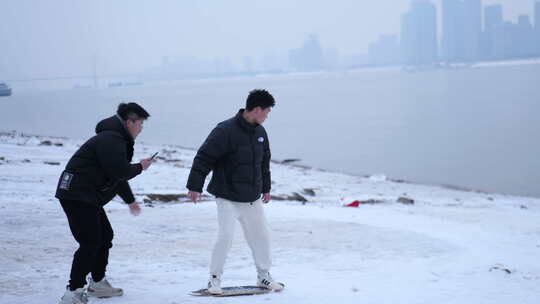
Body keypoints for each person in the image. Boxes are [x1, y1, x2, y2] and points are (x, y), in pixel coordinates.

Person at [186, 89, 283, 294]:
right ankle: (214, 279)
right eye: (266, 112)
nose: (267, 116)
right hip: (227, 196)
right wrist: (195, 185)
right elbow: (204, 157)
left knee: (261, 236)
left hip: (251, 198)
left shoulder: (260, 132)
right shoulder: (225, 130)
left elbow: (264, 163)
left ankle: (264, 276)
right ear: (257, 110)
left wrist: (266, 188)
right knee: (226, 237)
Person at [55, 103, 154, 304]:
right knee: (90, 242)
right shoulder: (112, 139)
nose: (141, 129)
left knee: (105, 236)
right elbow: (121, 171)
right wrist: (141, 167)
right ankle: (73, 292)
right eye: (140, 124)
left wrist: (130, 201)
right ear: (130, 122)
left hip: (86, 195)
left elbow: (115, 175)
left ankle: (97, 283)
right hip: (77, 194)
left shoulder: (116, 138)